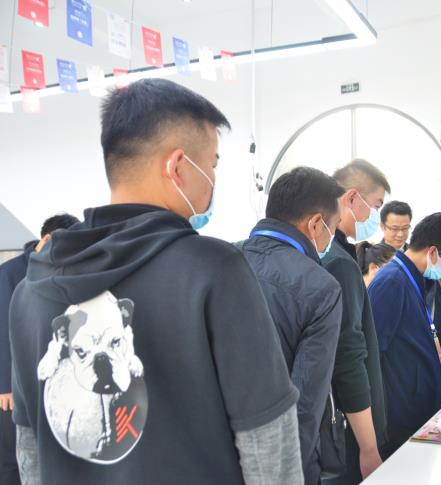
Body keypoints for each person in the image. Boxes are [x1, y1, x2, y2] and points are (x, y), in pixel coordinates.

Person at [9, 79, 302, 485]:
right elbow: (267, 442)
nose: (212, 178)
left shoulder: (31, 292)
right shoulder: (215, 270)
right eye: (212, 164)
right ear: (178, 167)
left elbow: (30, 451)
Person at [237, 167, 344, 485]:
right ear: (315, 223)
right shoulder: (320, 287)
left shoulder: (219, 258)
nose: (331, 238)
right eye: (333, 227)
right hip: (279, 463)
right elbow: (305, 404)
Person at [368, 212, 441, 458]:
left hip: (418, 411)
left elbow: (412, 345)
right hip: (400, 417)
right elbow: (371, 354)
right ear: (432, 252)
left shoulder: (413, 279)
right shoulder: (392, 282)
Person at [322, 159, 390, 484]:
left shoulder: (331, 253)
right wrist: (369, 446)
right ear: (351, 198)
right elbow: (348, 357)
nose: (375, 215)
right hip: (347, 424)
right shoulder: (339, 262)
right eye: (376, 205)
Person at [1, 213, 79, 485]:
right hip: (13, 385)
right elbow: (2, 329)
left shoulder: (61, 269)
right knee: (11, 458)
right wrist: (4, 385)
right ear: (46, 239)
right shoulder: (9, 274)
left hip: (46, 377)